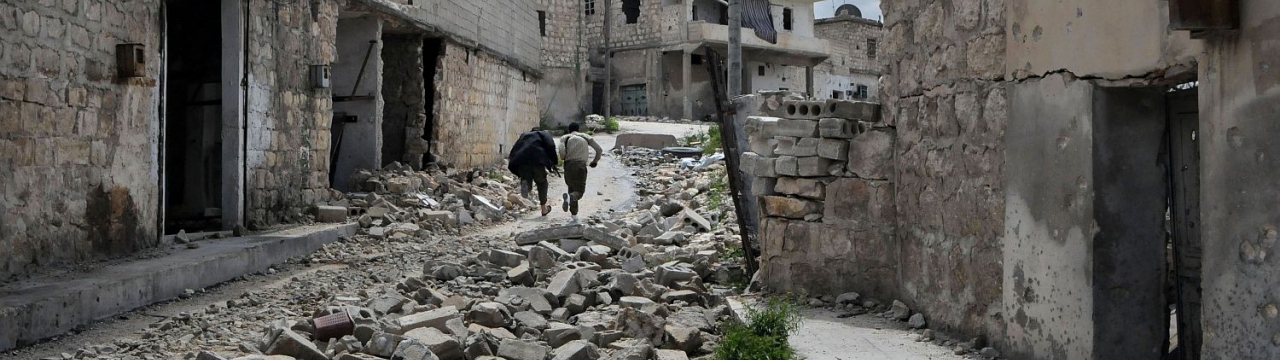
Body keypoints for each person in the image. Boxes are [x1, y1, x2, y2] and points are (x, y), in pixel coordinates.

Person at [508, 127, 559, 216]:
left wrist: (514, 164)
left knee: (526, 177)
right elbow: (551, 145)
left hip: (522, 161)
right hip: (537, 161)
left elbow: (514, 149)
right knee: (542, 183)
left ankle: (526, 185)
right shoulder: (543, 134)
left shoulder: (524, 135)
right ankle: (544, 209)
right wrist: (554, 162)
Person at [559, 123, 603, 223]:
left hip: (568, 165)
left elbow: (561, 153)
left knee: (571, 188)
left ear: (569, 130)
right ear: (578, 129)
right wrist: (594, 161)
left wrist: (565, 157)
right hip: (580, 165)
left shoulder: (564, 137)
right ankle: (571, 198)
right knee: (579, 191)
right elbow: (599, 149)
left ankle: (574, 215)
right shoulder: (585, 136)